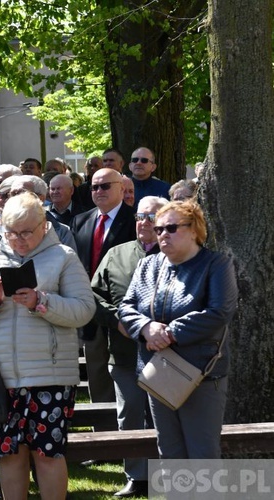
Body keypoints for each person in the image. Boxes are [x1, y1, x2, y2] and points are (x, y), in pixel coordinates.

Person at [0, 192, 95, 500]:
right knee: (9, 454)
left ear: (44, 224)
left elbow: (84, 310)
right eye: (11, 232)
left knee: (47, 454)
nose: (18, 240)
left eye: (26, 232)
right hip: (1, 378)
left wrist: (41, 302)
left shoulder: (63, 256)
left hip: (50, 376)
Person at [119, 201, 238, 459]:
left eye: (171, 228)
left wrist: (170, 333)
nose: (162, 234)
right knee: (170, 453)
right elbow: (126, 308)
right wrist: (146, 327)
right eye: (158, 228)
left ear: (194, 230)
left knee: (202, 454)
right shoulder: (147, 266)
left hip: (200, 374)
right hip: (157, 372)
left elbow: (219, 311)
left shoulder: (216, 265)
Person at [91, 196, 169, 497]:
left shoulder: (176, 255)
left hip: (167, 355)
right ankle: (137, 477)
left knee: (163, 417)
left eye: (151, 217)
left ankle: (166, 475)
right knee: (130, 415)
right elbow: (94, 296)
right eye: (139, 216)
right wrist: (115, 321)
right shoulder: (116, 254)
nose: (143, 222)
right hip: (124, 354)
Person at [71, 168, 136, 405]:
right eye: (94, 186)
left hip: (122, 312)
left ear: (121, 187)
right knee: (97, 376)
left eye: (105, 186)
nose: (98, 191)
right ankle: (102, 434)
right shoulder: (81, 220)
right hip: (90, 310)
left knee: (125, 378)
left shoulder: (135, 219)